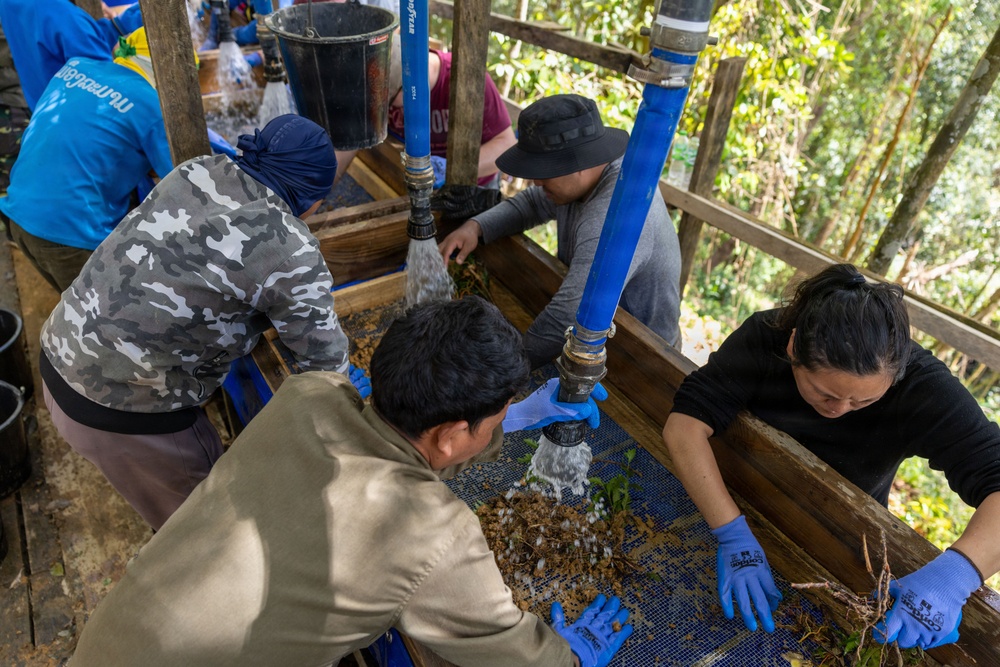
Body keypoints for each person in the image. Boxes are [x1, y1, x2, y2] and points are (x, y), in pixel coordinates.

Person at [68, 296, 632, 667]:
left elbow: (407, 445)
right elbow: (508, 651)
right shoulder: (433, 533)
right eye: (499, 417)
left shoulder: (305, 395)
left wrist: (515, 416)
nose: (504, 421)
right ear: (453, 434)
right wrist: (570, 656)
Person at [38, 114, 359, 531]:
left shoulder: (198, 169)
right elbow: (327, 365)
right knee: (203, 532)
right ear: (315, 200)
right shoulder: (290, 250)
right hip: (121, 411)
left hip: (59, 352)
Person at [662, 263, 1000, 651]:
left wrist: (956, 575)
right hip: (736, 499)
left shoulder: (922, 387)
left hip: (844, 534)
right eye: (824, 393)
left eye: (864, 400)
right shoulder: (765, 338)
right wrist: (732, 535)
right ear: (793, 350)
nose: (841, 408)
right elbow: (685, 424)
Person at [439, 94, 682, 369]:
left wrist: (505, 369)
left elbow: (569, 315)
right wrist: (476, 227)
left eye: (544, 173)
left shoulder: (614, 215)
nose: (535, 180)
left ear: (580, 164)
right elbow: (531, 203)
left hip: (642, 363)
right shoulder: (580, 179)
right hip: (589, 335)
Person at [0, 27, 174, 293]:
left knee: (74, 307)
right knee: (109, 320)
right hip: (68, 233)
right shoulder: (150, 105)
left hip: (19, 214)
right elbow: (182, 176)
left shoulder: (77, 67)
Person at [334, 39, 516, 188]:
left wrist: (452, 169)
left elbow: (506, 145)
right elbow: (355, 135)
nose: (386, 109)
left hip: (474, 185)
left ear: (408, 86)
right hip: (413, 182)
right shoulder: (385, 88)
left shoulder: (468, 80)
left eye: (388, 102)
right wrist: (321, 188)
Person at [0, 0, 142, 111]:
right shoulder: (60, 14)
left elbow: (58, 41)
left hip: (45, 116)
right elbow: (106, 87)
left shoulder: (13, 4)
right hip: (86, 126)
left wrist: (120, 24)